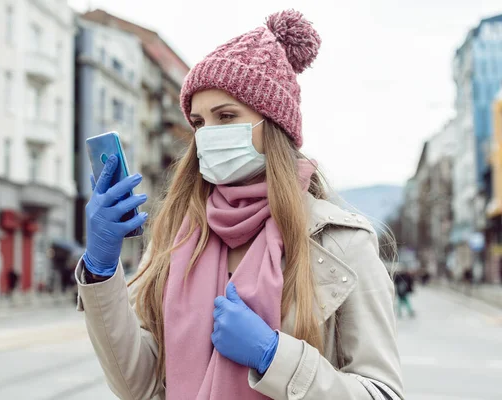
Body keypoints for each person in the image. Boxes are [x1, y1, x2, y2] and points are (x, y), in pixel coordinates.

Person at [76, 10, 403, 400]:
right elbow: (139, 385)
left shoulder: (341, 243)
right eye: (198, 122)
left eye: (226, 116)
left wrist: (273, 356)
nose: (207, 136)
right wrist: (101, 271)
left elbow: (383, 392)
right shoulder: (177, 236)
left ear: (273, 126)